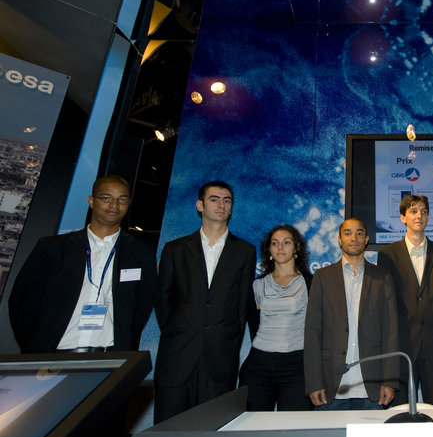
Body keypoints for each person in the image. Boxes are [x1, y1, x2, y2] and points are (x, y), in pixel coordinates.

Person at [9, 174, 156, 354]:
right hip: (52, 354)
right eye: (106, 198)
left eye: (122, 200)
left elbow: (142, 304)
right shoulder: (53, 248)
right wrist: (35, 346)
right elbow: (23, 302)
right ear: (92, 201)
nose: (114, 205)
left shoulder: (141, 253)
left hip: (110, 355)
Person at [154, 181, 256, 423]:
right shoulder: (174, 249)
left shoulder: (245, 251)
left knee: (213, 431)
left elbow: (242, 306)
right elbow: (162, 300)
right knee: (170, 432)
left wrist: (227, 339)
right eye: (214, 199)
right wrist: (179, 331)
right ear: (200, 205)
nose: (221, 205)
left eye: (227, 200)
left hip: (220, 358)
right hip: (177, 356)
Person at [304, 218, 399, 410]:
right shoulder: (322, 277)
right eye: (347, 233)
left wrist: (389, 381)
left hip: (372, 386)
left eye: (359, 233)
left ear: (366, 239)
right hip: (331, 385)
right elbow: (313, 332)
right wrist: (314, 383)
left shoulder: (383, 277)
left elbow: (391, 331)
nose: (353, 237)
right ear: (339, 239)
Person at [377, 195, 433, 408]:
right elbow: (386, 308)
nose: (419, 215)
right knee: (400, 417)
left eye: (423, 211)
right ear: (403, 217)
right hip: (401, 349)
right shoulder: (387, 255)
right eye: (413, 211)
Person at [239, 225, 312, 411]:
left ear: (296, 248)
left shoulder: (311, 282)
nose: (281, 247)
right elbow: (252, 325)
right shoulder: (257, 285)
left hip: (297, 367)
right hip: (258, 366)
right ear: (269, 250)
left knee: (294, 431)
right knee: (253, 430)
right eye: (275, 243)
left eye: (286, 242)